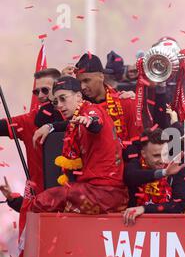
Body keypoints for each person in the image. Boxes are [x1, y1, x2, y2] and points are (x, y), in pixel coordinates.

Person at [31, 76, 128, 214]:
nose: (58, 105)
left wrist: (89, 121)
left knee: (41, 202)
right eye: (55, 101)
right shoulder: (77, 119)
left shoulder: (90, 111)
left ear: (78, 96)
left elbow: (96, 122)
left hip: (101, 193)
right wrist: (50, 126)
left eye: (63, 98)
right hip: (102, 193)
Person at [0, 68, 63, 195]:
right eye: (36, 91)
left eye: (45, 90)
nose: (40, 96)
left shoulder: (76, 115)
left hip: (70, 196)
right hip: (38, 197)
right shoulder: (29, 120)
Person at [122, 128, 185, 225]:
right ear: (143, 154)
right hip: (134, 228)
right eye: (156, 155)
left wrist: (144, 209)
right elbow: (130, 177)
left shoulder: (176, 168)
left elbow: (179, 205)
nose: (162, 160)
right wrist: (163, 172)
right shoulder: (135, 165)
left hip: (169, 229)